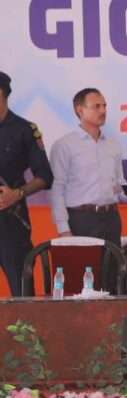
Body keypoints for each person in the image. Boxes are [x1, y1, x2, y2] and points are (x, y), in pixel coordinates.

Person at [48, 88, 127, 291]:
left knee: (110, 277)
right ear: (80, 110)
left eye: (104, 106)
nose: (103, 111)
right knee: (81, 278)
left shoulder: (113, 145)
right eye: (96, 106)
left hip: (110, 218)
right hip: (80, 219)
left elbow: (117, 186)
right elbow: (56, 189)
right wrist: (64, 229)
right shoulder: (64, 145)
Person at [0, 72, 53, 297]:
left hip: (10, 218)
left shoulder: (24, 129)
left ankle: (26, 323)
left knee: (22, 290)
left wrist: (17, 194)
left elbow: (45, 176)